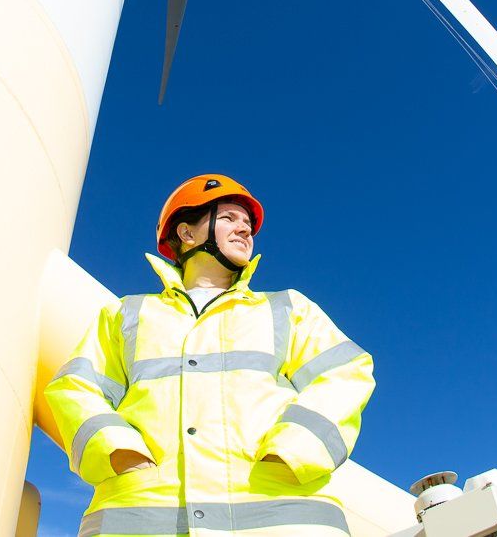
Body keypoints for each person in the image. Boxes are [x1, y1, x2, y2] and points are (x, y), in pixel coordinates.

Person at [45, 174, 374, 537]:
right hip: (144, 521)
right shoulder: (127, 314)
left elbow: (346, 373)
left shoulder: (287, 309)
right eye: (230, 218)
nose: (245, 230)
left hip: (284, 521)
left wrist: (293, 449)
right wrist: (118, 452)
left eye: (248, 224)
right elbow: (74, 387)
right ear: (187, 233)